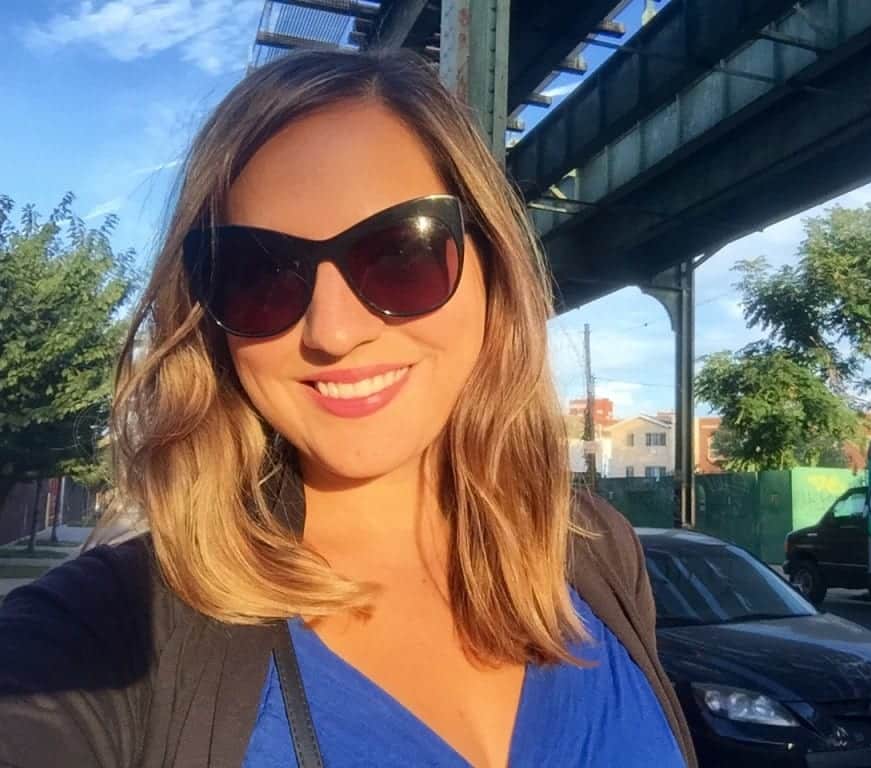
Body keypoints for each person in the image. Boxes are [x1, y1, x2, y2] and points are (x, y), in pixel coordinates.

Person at [0, 49, 696, 768]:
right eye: (259, 276)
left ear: (493, 270)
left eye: (401, 252)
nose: (332, 331)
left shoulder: (593, 549)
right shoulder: (113, 629)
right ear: (212, 318)